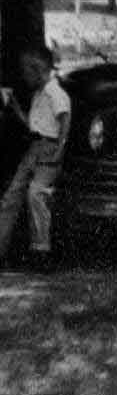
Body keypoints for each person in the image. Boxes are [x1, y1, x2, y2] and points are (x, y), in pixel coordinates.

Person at [0, 46, 70, 268]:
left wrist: (60, 147)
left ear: (38, 69)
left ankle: (41, 250)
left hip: (49, 147)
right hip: (34, 147)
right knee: (11, 196)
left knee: (36, 194)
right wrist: (14, 106)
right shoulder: (38, 95)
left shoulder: (55, 93)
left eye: (26, 72)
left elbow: (64, 118)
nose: (24, 77)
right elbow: (32, 125)